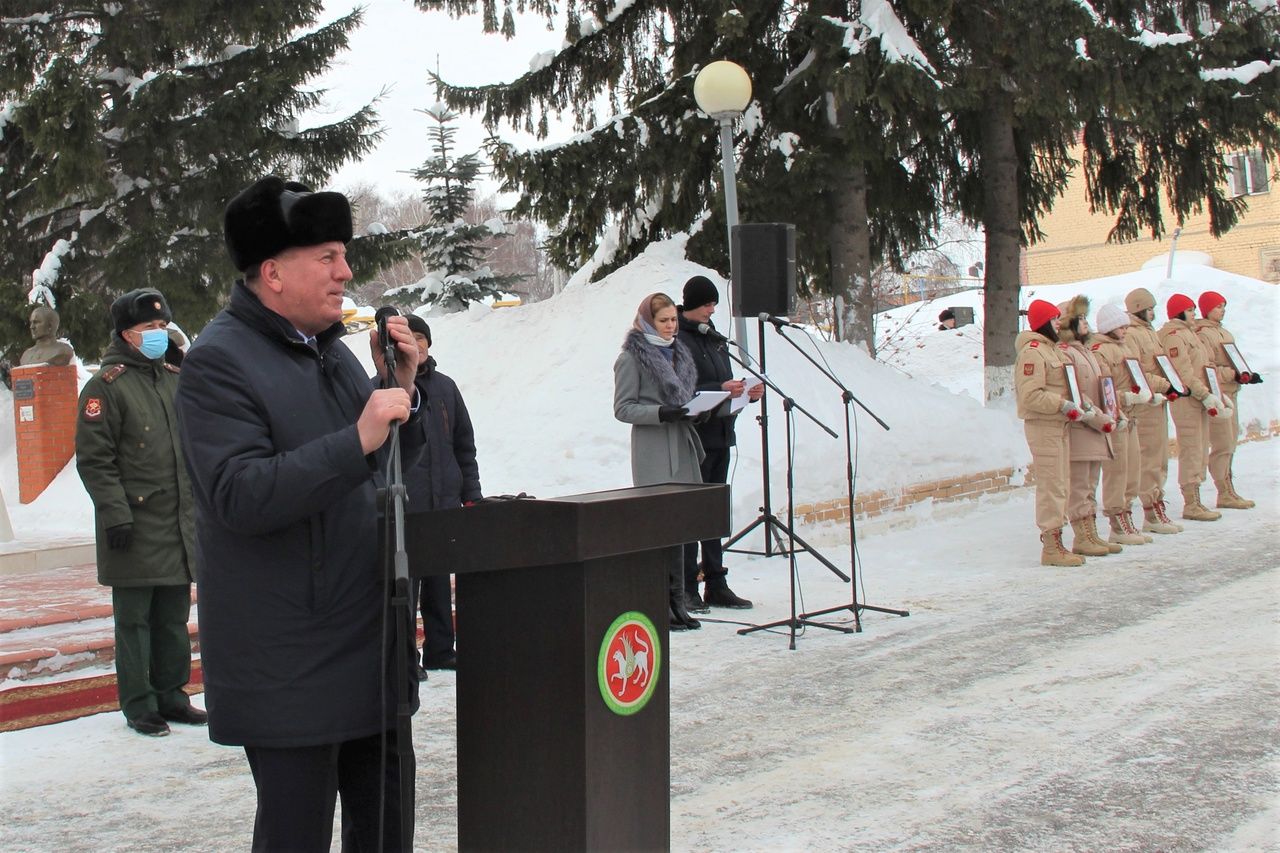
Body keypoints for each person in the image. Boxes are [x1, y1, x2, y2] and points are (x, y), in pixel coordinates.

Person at [174, 176, 424, 851]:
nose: (346, 272)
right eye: (328, 256)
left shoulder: (334, 356)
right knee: (296, 836)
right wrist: (358, 436)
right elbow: (238, 493)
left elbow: (381, 467)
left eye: (344, 255)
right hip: (290, 664)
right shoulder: (219, 362)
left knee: (386, 832)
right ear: (273, 272)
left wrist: (399, 392)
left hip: (369, 644)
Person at [75, 288, 203, 737]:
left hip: (174, 522)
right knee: (134, 621)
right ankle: (138, 704)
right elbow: (95, 460)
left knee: (171, 618)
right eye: (149, 328)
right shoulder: (105, 386)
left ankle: (172, 695)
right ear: (126, 334)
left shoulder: (173, 377)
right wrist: (116, 516)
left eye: (162, 326)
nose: (158, 334)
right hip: (131, 522)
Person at [614, 292, 704, 630]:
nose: (671, 327)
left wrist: (697, 411)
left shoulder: (680, 352)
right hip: (653, 445)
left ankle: (678, 601)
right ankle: (657, 603)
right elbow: (623, 408)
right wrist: (661, 412)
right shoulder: (631, 358)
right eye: (664, 321)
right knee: (658, 528)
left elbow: (684, 397)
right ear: (650, 322)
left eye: (674, 321)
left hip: (680, 442)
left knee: (679, 525)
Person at [676, 275, 762, 612]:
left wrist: (746, 392)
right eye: (706, 304)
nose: (712, 310)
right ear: (692, 304)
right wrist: (721, 387)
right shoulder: (679, 340)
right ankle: (686, 584)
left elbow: (725, 383)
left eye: (714, 305)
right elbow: (686, 387)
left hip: (721, 434)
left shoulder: (714, 339)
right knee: (690, 512)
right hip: (696, 438)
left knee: (713, 514)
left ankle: (716, 580)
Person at [406, 314, 480, 672]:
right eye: (409, 337)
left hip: (444, 502)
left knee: (438, 581)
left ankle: (441, 649)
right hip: (406, 505)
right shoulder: (382, 387)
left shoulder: (446, 387)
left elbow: (464, 445)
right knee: (405, 586)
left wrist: (472, 493)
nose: (416, 344)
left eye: (421, 337)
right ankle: (407, 657)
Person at [1014, 300, 1086, 567]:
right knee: (1052, 485)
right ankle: (1052, 546)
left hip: (1060, 425)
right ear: (1044, 322)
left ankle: (1058, 542)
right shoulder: (1033, 352)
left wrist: (1076, 404)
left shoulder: (1052, 351)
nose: (1059, 324)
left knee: (1061, 483)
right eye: (1055, 319)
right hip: (1044, 426)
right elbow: (1031, 395)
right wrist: (1062, 404)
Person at [1056, 296, 1118, 557]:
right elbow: (1076, 392)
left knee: (1091, 484)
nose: (1084, 323)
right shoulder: (1065, 353)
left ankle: (1092, 532)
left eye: (1084, 318)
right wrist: (1095, 415)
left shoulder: (1087, 352)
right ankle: (1082, 536)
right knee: (1080, 485)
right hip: (1082, 427)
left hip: (1097, 428)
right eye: (1079, 318)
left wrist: (1113, 411)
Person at [1089, 303, 1153, 546]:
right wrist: (1126, 398)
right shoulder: (1100, 351)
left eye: (1127, 325)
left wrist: (1147, 392)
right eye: (1121, 326)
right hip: (1116, 417)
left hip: (1132, 416)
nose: (1126, 329)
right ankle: (1117, 520)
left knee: (1132, 469)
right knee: (1117, 471)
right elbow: (1103, 387)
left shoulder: (1124, 347)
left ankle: (1127, 514)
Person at [1159, 292, 1226, 522]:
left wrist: (1213, 393)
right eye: (1190, 310)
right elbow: (1184, 372)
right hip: (1187, 399)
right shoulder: (1174, 336)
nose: (1194, 314)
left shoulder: (1190, 334)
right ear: (1179, 312)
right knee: (1191, 448)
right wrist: (1203, 394)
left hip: (1200, 397)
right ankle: (1190, 502)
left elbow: (1204, 367)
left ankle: (1197, 499)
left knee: (1200, 447)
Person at [1124, 287, 1181, 535]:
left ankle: (1157, 502)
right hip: (1145, 404)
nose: (1153, 312)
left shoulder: (1150, 333)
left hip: (1159, 401)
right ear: (1139, 309)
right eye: (1149, 308)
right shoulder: (1132, 335)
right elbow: (1135, 373)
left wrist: (1171, 385)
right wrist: (1164, 385)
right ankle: (1150, 510)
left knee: (1160, 457)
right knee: (1149, 458)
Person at [1194, 290, 1255, 510]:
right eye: (1218, 306)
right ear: (1207, 309)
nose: (1222, 310)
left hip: (1232, 391)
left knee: (1231, 442)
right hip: (1219, 394)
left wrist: (1244, 373)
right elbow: (1207, 369)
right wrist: (1232, 373)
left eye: (1223, 306)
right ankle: (1223, 489)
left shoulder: (1224, 332)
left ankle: (1229, 487)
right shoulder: (1203, 334)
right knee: (1222, 443)